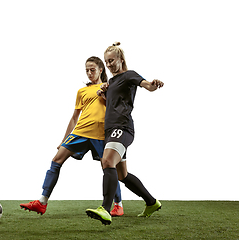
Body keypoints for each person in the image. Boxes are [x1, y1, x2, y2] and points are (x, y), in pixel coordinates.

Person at [20, 56, 124, 216]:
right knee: (56, 160)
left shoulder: (109, 87)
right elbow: (74, 117)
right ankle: (42, 202)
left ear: (101, 70)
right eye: (87, 71)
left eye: (92, 70)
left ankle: (118, 205)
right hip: (80, 132)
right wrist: (64, 139)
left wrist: (106, 94)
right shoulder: (81, 91)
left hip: (101, 134)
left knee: (109, 168)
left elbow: (118, 107)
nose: (89, 73)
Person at [86, 42, 164, 225]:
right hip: (111, 129)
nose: (110, 65)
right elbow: (112, 104)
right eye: (107, 62)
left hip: (123, 127)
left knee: (106, 161)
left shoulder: (129, 75)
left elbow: (146, 85)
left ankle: (105, 209)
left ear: (121, 60)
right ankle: (152, 202)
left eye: (112, 60)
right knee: (122, 175)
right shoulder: (111, 82)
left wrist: (153, 84)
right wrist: (103, 94)